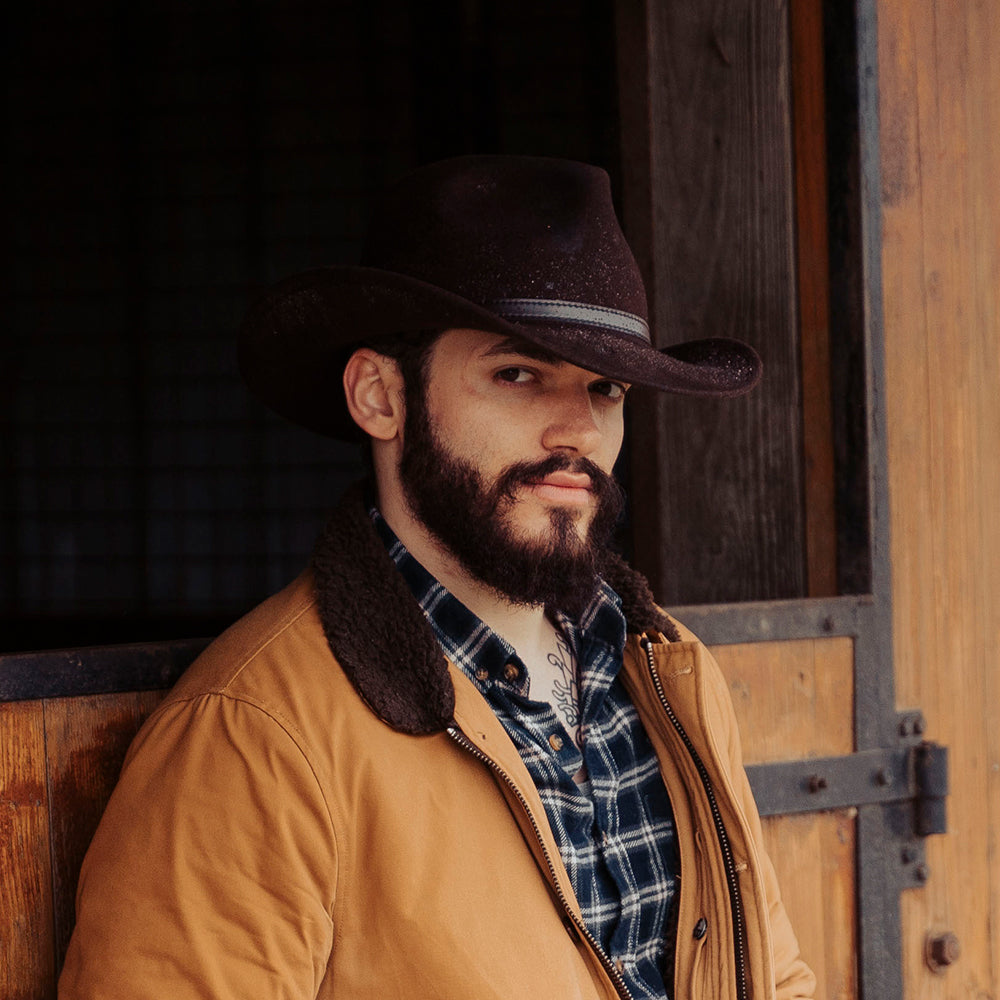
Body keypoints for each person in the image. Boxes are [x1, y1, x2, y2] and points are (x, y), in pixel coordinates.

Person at [60, 155, 815, 1000]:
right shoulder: (253, 737)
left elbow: (773, 976)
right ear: (380, 396)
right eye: (517, 374)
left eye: (606, 388)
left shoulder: (666, 667)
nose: (577, 430)